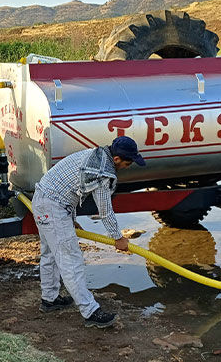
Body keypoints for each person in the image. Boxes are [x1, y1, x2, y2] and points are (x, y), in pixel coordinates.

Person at [32, 136, 145, 328]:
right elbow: (105, 211)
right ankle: (90, 311)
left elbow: (71, 187)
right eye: (128, 163)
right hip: (52, 207)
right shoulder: (101, 172)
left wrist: (72, 219)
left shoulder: (96, 154)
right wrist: (118, 238)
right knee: (71, 260)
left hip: (45, 200)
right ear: (116, 159)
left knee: (50, 254)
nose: (129, 166)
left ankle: (49, 299)